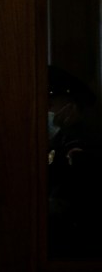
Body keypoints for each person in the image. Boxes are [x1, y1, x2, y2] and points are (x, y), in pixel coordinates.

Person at [46, 65, 101, 258]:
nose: (47, 110)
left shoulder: (82, 141)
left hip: (76, 243)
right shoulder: (57, 139)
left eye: (51, 104)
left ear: (70, 105)